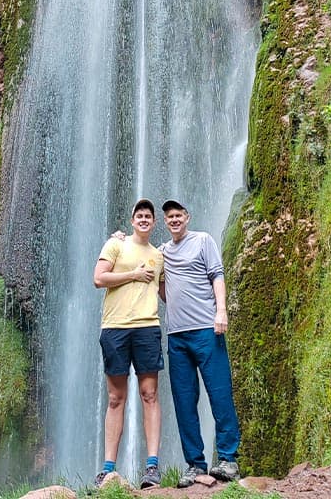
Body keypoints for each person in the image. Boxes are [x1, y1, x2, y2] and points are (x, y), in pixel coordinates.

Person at [160, 199, 241, 487]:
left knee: (220, 392)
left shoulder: (203, 240)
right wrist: (118, 239)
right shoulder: (162, 252)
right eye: (169, 216)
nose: (174, 220)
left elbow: (217, 275)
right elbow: (141, 260)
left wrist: (222, 310)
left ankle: (229, 459)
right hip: (176, 335)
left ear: (187, 217)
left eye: (178, 215)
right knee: (184, 401)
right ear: (165, 221)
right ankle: (195, 464)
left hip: (208, 329)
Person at [93, 198, 165, 488]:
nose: (144, 219)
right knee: (115, 398)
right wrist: (133, 274)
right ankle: (108, 469)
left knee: (149, 394)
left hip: (147, 327)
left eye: (149, 215)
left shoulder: (160, 256)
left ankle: (151, 467)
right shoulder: (115, 245)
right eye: (140, 215)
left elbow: (165, 291)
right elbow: (99, 278)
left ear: (153, 222)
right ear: (132, 220)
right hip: (115, 328)